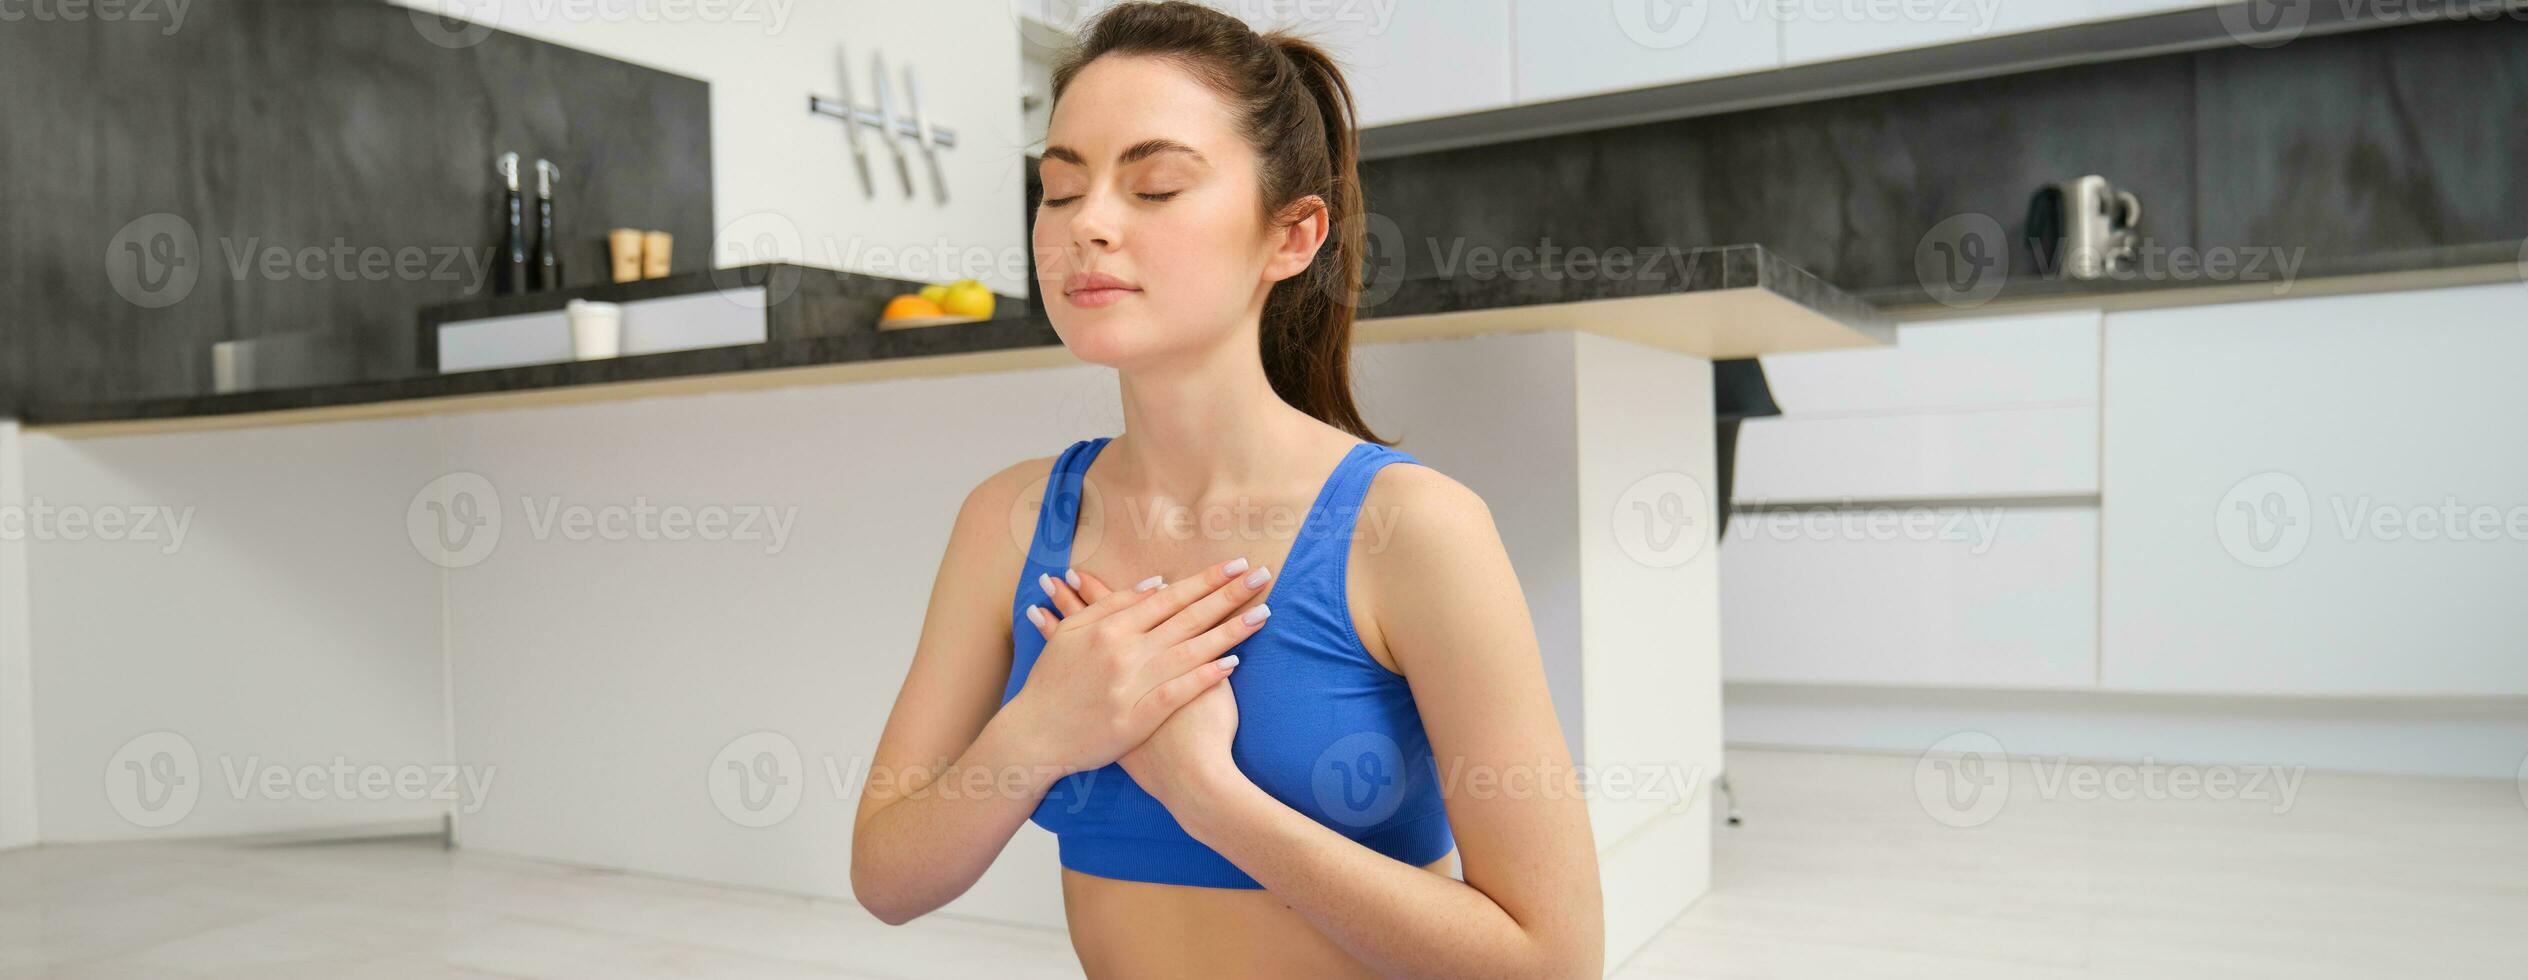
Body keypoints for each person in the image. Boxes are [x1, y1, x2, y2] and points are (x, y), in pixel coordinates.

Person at [848, 3, 1605, 976]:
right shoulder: (1006, 519)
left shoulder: (1414, 530)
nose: (1089, 226)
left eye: (1154, 186)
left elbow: (1553, 959)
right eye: (1059, 189)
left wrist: (1208, 796)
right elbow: (886, 875)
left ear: (1290, 236)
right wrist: (1040, 727)